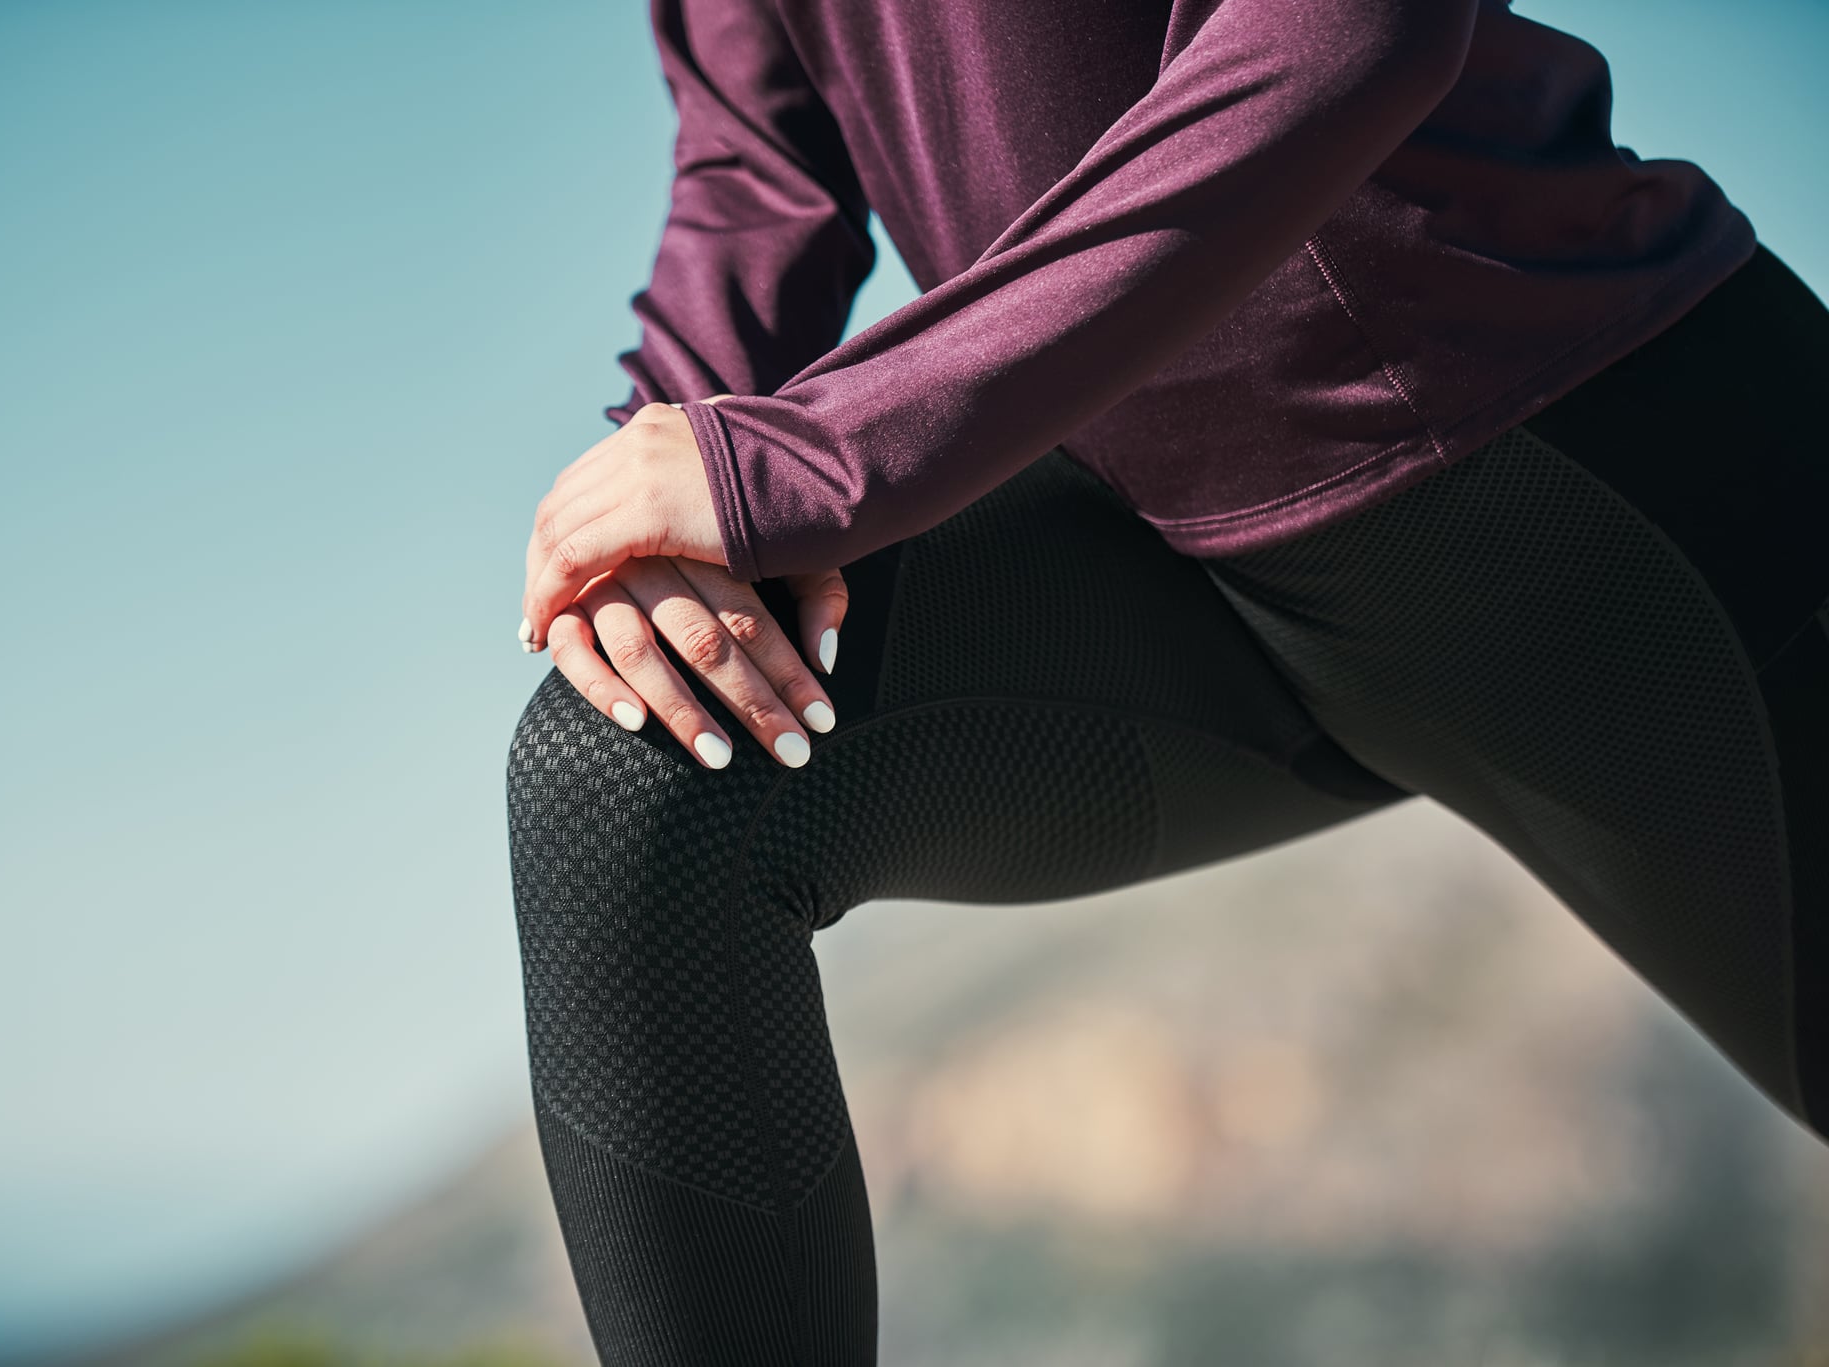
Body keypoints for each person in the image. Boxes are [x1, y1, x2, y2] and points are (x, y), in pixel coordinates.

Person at [506, 0, 1829, 1360]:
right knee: (646, 766)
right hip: (1164, 545)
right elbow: (760, 172)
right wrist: (661, 510)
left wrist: (815, 455)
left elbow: (1353, 28)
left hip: (1583, 462)